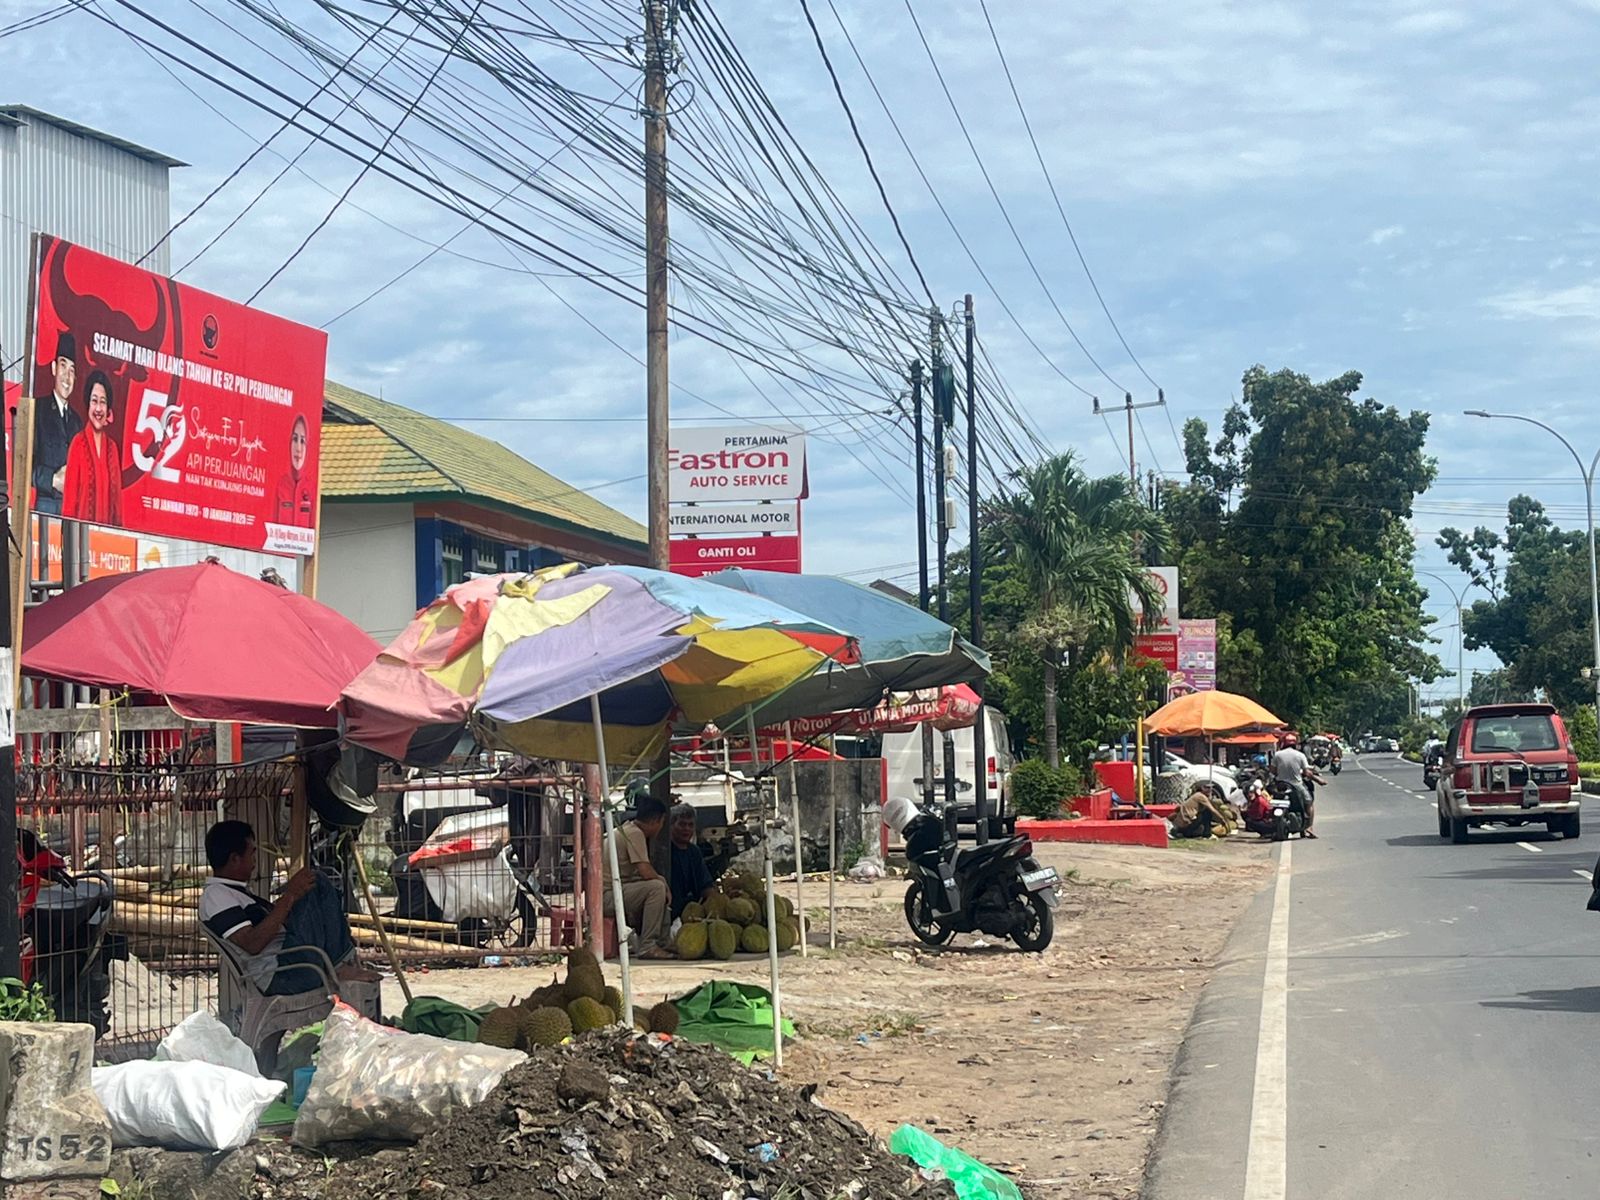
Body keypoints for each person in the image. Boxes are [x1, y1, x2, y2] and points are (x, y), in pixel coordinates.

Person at [199, 820, 378, 996]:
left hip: (291, 960)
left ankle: (341, 963)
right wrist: (290, 895)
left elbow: (277, 921)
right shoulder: (217, 895)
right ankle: (340, 965)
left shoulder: (235, 892)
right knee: (317, 881)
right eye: (251, 854)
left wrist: (293, 898)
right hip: (282, 972)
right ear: (235, 859)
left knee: (313, 883)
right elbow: (252, 944)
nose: (255, 860)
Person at [601, 794, 673, 959]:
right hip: (607, 896)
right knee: (656, 888)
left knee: (657, 884)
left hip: (611, 892)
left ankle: (663, 941)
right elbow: (645, 871)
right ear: (655, 820)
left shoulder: (627, 829)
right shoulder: (635, 834)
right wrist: (663, 882)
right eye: (662, 822)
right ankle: (648, 945)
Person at [33, 331, 83, 516]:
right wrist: (53, 479)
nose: (67, 377)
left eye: (72, 371)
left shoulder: (77, 422)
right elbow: (23, 466)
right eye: (63, 366)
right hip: (45, 509)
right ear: (54, 368)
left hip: (72, 510)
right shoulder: (38, 410)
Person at [62, 370, 122, 525]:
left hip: (108, 538)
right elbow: (69, 504)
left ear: (108, 409)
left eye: (103, 402)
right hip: (79, 537)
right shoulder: (78, 444)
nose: (98, 409)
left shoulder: (112, 449)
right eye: (94, 401)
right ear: (88, 404)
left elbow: (117, 508)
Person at [666, 802, 716, 919]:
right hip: (670, 909)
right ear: (671, 825)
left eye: (690, 825)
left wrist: (716, 899)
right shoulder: (665, 851)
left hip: (693, 912)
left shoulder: (694, 852)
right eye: (682, 824)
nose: (687, 829)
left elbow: (705, 883)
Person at [1270, 734, 1319, 839]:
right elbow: (1307, 772)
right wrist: (1318, 780)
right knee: (1309, 803)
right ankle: (1309, 828)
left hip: (1280, 785)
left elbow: (1273, 771)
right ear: (1295, 744)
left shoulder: (1277, 755)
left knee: (1272, 802)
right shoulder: (1300, 755)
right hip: (1296, 785)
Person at [272, 414, 314, 527]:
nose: (298, 449)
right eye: (295, 439)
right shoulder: (280, 484)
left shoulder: (312, 488)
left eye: (302, 441)